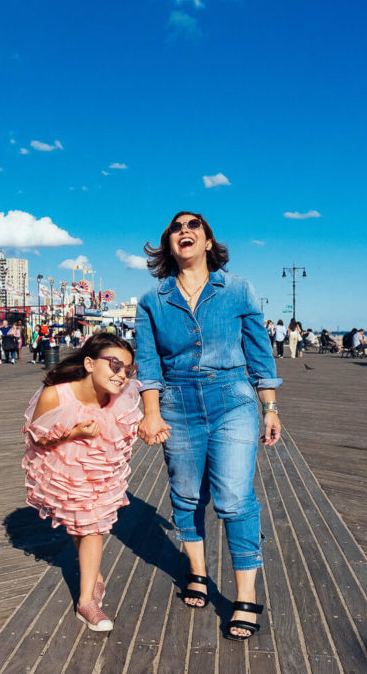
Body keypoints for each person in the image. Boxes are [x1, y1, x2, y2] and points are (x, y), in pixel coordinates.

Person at [135, 211, 281, 642]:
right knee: (185, 494)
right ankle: (197, 572)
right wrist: (151, 411)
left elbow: (259, 350)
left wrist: (269, 406)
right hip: (176, 403)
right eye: (176, 227)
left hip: (232, 398)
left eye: (193, 225)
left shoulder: (238, 289)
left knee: (234, 498)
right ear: (168, 245)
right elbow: (148, 362)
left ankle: (245, 596)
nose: (185, 230)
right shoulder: (152, 301)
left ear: (208, 240)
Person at [22, 333, 142, 632]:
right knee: (80, 523)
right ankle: (95, 578)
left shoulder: (119, 398)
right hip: (63, 464)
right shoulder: (56, 394)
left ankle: (86, 601)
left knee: (93, 526)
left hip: (101, 469)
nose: (121, 375)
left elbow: (127, 430)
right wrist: (73, 433)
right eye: (114, 365)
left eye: (128, 369)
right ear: (89, 363)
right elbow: (37, 436)